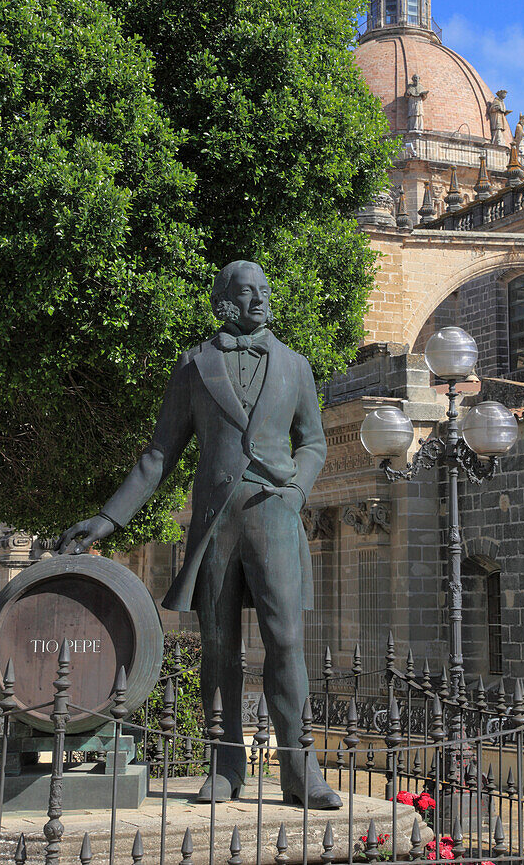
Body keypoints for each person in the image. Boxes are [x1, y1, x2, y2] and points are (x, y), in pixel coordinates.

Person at [58, 261, 340, 809]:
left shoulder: (295, 366)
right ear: (224, 302)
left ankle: (300, 771)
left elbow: (314, 442)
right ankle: (224, 765)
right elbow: (160, 454)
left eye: (263, 290)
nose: (258, 299)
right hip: (215, 524)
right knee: (219, 648)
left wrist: (297, 491)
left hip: (275, 515)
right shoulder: (195, 365)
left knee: (286, 643)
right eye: (246, 291)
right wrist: (108, 518)